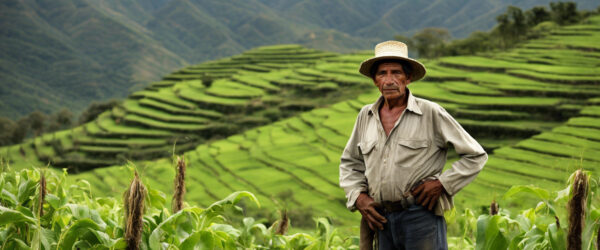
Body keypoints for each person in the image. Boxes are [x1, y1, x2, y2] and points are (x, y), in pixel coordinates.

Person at [339, 40, 488, 250]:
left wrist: (442, 184)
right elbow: (350, 163)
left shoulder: (430, 112)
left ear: (408, 78)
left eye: (396, 73)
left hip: (420, 217)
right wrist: (358, 197)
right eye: (382, 73)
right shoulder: (366, 116)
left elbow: (476, 155)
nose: (389, 80)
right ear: (375, 80)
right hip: (380, 220)